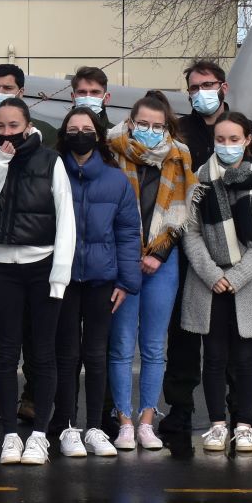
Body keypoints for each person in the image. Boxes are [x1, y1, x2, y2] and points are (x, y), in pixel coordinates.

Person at [159, 59, 252, 440]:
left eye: (207, 85)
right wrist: (211, 271)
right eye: (194, 87)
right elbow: (182, 206)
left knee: (238, 351)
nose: (201, 93)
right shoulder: (181, 130)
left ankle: (239, 416)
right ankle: (182, 408)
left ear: (223, 87)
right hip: (195, 259)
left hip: (246, 265)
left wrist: (239, 272)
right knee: (185, 341)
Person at [0, 99, 75, 465]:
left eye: (14, 125)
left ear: (28, 125)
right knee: (5, 352)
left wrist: (59, 277)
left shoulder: (51, 161)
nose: (7, 133)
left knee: (42, 353)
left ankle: (40, 435)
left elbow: (66, 221)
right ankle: (12, 435)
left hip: (42, 266)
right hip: (2, 268)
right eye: (0, 126)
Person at [180, 111, 252, 455]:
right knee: (212, 357)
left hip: (249, 282)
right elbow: (190, 233)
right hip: (209, 283)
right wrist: (213, 275)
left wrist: (235, 277)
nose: (226, 146)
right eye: (220, 140)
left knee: (244, 358)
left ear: (248, 139)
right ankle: (216, 425)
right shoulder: (199, 180)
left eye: (234, 139)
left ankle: (244, 424)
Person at [51, 106, 141, 459]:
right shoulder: (54, 173)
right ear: (63, 134)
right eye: (72, 128)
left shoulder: (116, 179)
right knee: (67, 354)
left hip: (103, 279)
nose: (79, 134)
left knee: (97, 354)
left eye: (86, 128)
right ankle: (69, 426)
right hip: (65, 278)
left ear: (98, 135)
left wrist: (126, 280)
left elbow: (129, 232)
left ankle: (97, 427)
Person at [105, 93, 194, 451]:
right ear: (131, 122)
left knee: (155, 346)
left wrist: (158, 252)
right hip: (122, 259)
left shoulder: (180, 156)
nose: (151, 131)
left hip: (163, 259)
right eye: (144, 124)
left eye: (158, 126)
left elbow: (186, 209)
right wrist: (130, 255)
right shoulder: (112, 151)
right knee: (122, 344)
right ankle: (123, 419)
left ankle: (146, 419)